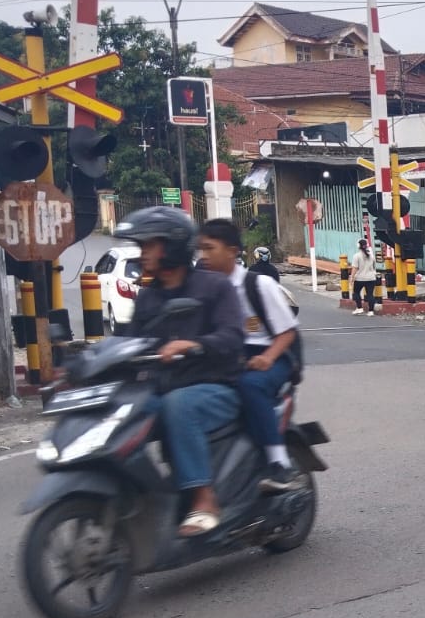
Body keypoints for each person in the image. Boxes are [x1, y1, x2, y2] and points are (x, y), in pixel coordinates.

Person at [115, 206, 246, 538]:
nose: (142, 254)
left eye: (149, 245)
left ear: (172, 246)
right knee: (122, 413)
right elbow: (128, 342)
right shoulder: (148, 297)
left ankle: (204, 499)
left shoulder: (215, 286)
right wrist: (79, 368)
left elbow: (233, 336)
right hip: (163, 388)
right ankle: (139, 498)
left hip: (218, 387)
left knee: (179, 404)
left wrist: (192, 344)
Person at [197, 219, 304, 493]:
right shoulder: (205, 287)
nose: (203, 255)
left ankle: (279, 463)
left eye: (210, 248)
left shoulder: (258, 284)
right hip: (229, 357)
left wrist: (268, 358)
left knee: (250, 385)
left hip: (271, 355)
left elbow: (287, 332)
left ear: (232, 251)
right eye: (201, 249)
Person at [351, 238, 379, 316]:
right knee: (370, 294)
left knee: (356, 293)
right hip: (371, 278)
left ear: (358, 246)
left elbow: (355, 268)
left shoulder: (356, 256)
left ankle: (359, 308)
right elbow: (374, 266)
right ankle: (371, 311)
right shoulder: (371, 255)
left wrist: (352, 277)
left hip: (360, 278)